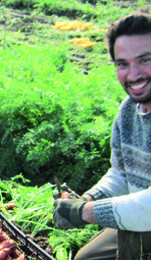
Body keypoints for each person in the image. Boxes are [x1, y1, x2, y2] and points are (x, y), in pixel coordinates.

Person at [53, 9, 151, 260]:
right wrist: (87, 198)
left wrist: (87, 212)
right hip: (139, 218)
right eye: (123, 64)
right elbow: (121, 172)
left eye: (145, 60)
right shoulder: (128, 112)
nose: (134, 74)